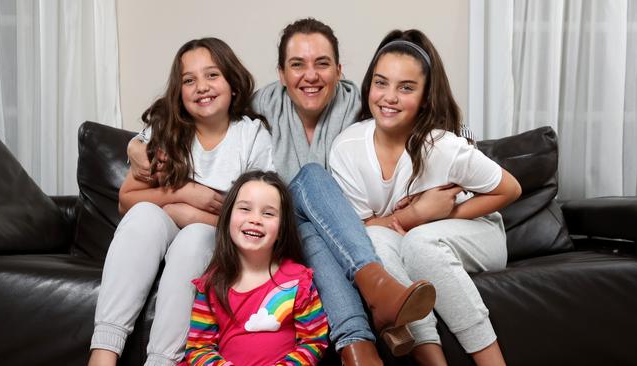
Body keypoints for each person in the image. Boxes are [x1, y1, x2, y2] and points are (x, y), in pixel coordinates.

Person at [129, 19, 437, 365]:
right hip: (279, 240)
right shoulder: (259, 109)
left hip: (339, 242)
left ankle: (358, 347)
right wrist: (137, 143)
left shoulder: (364, 104)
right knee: (308, 182)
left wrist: (408, 211)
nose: (310, 75)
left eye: (322, 63)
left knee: (309, 211)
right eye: (297, 65)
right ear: (280, 73)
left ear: (339, 70)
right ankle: (375, 287)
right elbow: (195, 116)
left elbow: (438, 125)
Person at [329, 29, 522, 365]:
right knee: (373, 238)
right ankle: (431, 359)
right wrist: (414, 216)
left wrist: (441, 215)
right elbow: (362, 225)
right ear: (368, 87)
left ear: (424, 97)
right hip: (402, 234)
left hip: (476, 229)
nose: (389, 96)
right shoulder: (347, 148)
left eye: (406, 87)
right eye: (381, 83)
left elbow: (511, 189)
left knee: (419, 243)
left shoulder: (443, 146)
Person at [88, 38, 274, 366]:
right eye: (189, 80)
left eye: (212, 75)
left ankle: (162, 362)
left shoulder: (252, 136)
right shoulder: (167, 131)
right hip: (159, 229)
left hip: (213, 239)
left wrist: (188, 215)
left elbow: (257, 220)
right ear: (179, 92)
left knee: (194, 236)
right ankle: (103, 355)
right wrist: (185, 194)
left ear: (232, 83)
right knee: (144, 213)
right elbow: (127, 200)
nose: (201, 87)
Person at [182, 170, 329, 365]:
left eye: (268, 213)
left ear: (281, 229)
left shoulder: (298, 282)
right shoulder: (212, 284)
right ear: (228, 218)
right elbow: (199, 347)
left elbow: (314, 341)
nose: (255, 219)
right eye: (245, 209)